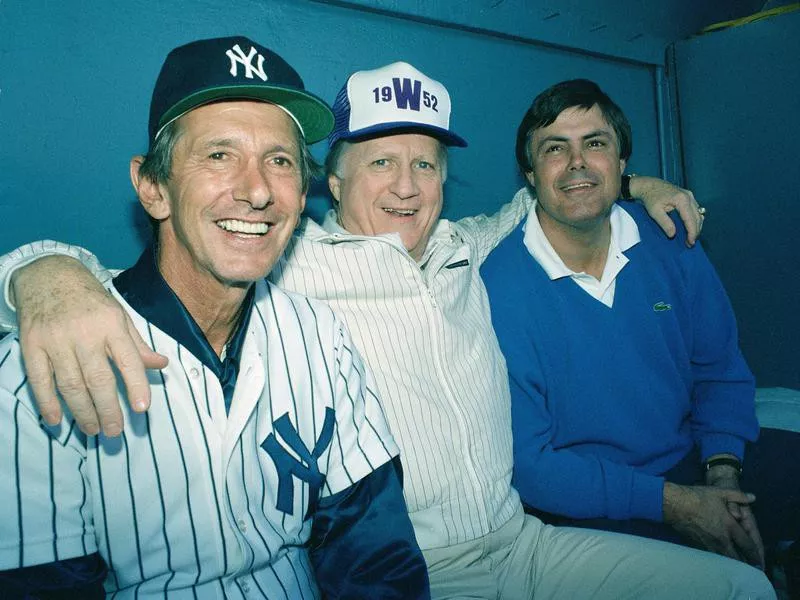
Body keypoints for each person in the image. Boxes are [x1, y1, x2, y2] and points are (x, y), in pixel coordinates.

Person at [0, 62, 775, 598]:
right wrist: (38, 273)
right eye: (379, 163)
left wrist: (637, 182)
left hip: (526, 544)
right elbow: (142, 279)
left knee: (742, 587)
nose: (407, 187)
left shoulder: (467, 244)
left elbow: (561, 189)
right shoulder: (287, 263)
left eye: (426, 163)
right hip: (418, 569)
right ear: (328, 184)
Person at [0, 36, 430, 599]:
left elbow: (374, 553)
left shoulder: (322, 337)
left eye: (279, 161)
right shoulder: (37, 368)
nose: (256, 191)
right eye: (220, 155)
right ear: (153, 187)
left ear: (302, 196)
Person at [482, 78, 799, 586]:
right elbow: (531, 466)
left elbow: (718, 370)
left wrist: (723, 472)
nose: (577, 163)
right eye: (554, 149)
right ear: (530, 175)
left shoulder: (672, 241)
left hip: (695, 463)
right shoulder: (498, 286)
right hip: (592, 505)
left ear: (623, 163)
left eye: (595, 143)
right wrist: (679, 506)